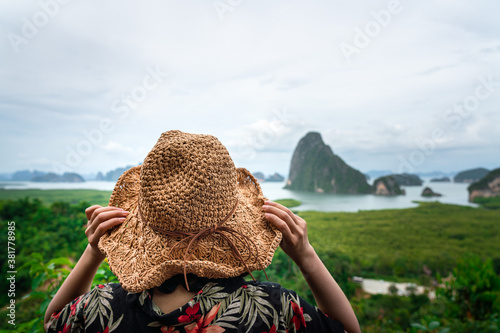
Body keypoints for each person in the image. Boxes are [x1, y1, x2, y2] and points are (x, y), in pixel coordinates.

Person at [44, 130, 360, 333]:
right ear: (235, 219)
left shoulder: (101, 309)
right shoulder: (272, 309)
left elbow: (51, 323)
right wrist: (306, 257)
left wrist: (93, 253)